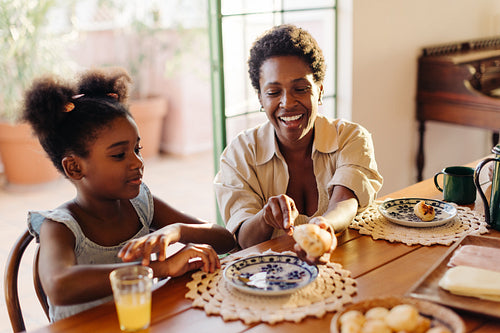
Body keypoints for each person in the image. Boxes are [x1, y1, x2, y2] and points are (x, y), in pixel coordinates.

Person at [23, 67, 236, 322]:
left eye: (138, 149)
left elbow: (226, 240)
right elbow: (59, 286)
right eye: (119, 155)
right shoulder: (61, 227)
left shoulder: (141, 204)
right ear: (75, 167)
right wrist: (159, 268)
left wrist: (178, 230)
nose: (137, 162)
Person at [214, 24, 383, 263]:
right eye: (273, 92)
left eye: (300, 89)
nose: (287, 102)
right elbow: (244, 240)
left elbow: (345, 202)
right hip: (265, 281)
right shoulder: (239, 154)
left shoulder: (351, 138)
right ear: (260, 99)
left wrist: (322, 226)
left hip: (341, 265)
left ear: (320, 90)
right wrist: (264, 218)